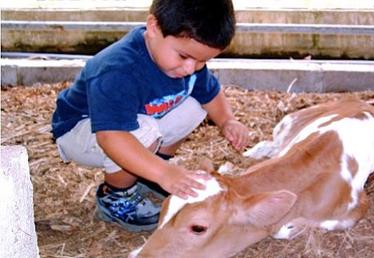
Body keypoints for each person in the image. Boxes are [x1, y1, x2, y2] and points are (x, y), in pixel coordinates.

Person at [51, 0, 249, 232]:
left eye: (203, 61)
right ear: (153, 27)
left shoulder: (183, 62)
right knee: (144, 130)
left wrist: (227, 120)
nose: (190, 68)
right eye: (184, 56)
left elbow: (210, 94)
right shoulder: (117, 70)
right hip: (82, 131)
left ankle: (145, 175)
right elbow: (111, 137)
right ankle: (115, 196)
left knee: (195, 105)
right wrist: (165, 174)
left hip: (131, 126)